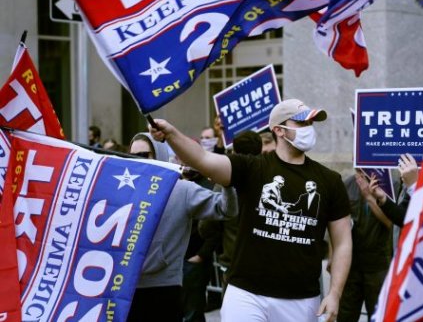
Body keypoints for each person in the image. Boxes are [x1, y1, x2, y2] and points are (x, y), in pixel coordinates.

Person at [149, 98, 352, 322]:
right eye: (301, 123)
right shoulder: (252, 167)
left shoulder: (330, 181)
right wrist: (171, 133)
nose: (309, 130)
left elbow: (342, 241)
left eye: (310, 124)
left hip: (302, 299)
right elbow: (202, 158)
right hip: (246, 295)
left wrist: (335, 294)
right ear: (279, 130)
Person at [126, 133, 238, 322]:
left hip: (165, 287)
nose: (139, 160)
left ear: (159, 155)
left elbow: (226, 210)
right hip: (124, 287)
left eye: (145, 155)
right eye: (133, 156)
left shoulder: (182, 190)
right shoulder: (124, 189)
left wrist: (225, 182)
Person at [199, 130, 263, 297]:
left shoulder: (226, 183)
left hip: (235, 266)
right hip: (265, 266)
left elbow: (206, 227)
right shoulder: (272, 179)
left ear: (234, 151)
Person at [337, 170, 392, 322]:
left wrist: (369, 196)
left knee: (378, 315)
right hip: (351, 265)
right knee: (346, 315)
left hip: (379, 265)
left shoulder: (389, 184)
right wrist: (332, 257)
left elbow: (390, 222)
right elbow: (336, 223)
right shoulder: (346, 184)